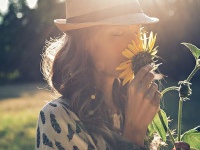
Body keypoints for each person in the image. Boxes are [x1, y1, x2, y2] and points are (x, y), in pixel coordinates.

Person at [35, 0, 188, 149]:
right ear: (85, 42)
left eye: (137, 31)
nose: (134, 43)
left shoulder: (129, 104)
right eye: (118, 33)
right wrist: (134, 133)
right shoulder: (58, 118)